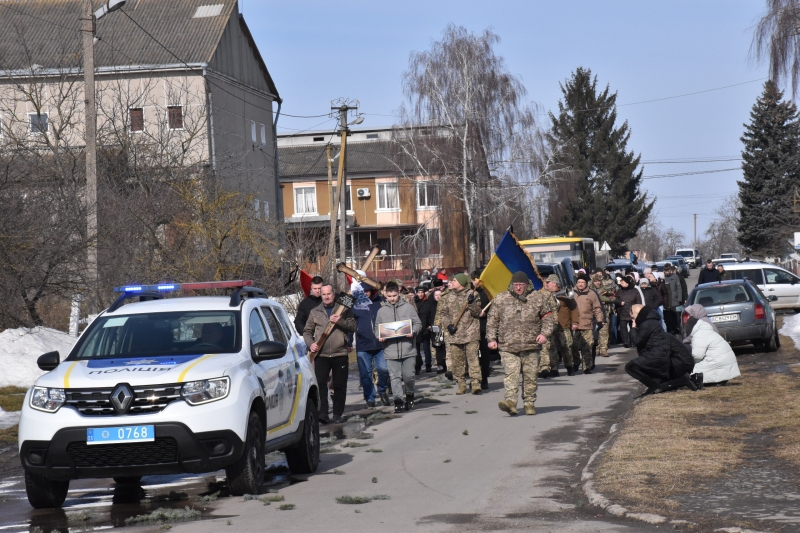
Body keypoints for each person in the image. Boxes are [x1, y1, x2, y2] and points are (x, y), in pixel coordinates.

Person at [486, 271, 556, 415]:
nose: (518, 288)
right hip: (508, 345)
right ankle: (510, 402)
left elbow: (548, 319)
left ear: (527, 284)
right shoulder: (501, 298)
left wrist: (544, 334)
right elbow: (492, 320)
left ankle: (529, 403)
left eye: (521, 285)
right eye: (515, 285)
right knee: (511, 374)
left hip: (531, 345)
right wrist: (491, 339)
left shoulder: (537, 298)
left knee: (530, 376)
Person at [303, 284, 356, 424]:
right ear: (320, 295)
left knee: (339, 385)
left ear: (334, 294)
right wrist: (311, 343)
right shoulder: (315, 311)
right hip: (321, 355)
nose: (326, 297)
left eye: (329, 294)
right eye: (324, 294)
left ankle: (338, 414)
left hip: (340, 353)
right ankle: (323, 413)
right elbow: (307, 331)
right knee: (321, 386)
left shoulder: (343, 309)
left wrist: (341, 321)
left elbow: (353, 326)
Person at [375, 281, 423, 412]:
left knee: (409, 376)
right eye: (389, 296)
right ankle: (398, 401)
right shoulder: (381, 311)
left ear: (399, 293)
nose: (392, 299)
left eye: (394, 295)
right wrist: (380, 336)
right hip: (390, 350)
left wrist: (413, 331)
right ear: (385, 295)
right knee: (394, 377)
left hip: (408, 348)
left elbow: (418, 323)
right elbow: (377, 328)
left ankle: (409, 394)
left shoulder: (408, 308)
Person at [434, 273, 483, 394]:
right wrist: (448, 325)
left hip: (470, 333)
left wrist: (471, 303)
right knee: (457, 361)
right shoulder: (447, 297)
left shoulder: (473, 294)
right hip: (454, 334)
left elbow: (478, 313)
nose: (452, 282)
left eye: (455, 280)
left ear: (461, 282)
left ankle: (475, 382)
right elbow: (443, 313)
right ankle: (461, 383)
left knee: (473, 359)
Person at [351, 282, 390, 408]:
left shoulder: (381, 302)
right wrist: (348, 341)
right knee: (365, 374)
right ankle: (370, 397)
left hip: (381, 343)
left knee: (384, 369)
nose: (365, 294)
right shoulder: (354, 304)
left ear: (372, 291)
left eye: (367, 291)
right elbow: (346, 318)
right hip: (363, 344)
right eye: (363, 292)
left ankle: (382, 390)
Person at [684, 308, 741, 387]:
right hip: (725, 362)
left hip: (720, 362)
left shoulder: (699, 334)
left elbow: (697, 355)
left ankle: (709, 381)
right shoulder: (706, 330)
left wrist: (688, 362)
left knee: (691, 371)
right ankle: (718, 380)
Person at [625, 304, 671, 395]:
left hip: (657, 355)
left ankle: (653, 386)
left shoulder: (646, 324)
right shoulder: (649, 321)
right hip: (659, 353)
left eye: (632, 314)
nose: (631, 317)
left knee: (630, 367)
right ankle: (657, 385)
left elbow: (637, 341)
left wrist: (633, 328)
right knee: (642, 366)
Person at [543, 274, 578, 375]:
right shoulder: (544, 295)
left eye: (548, 282)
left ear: (554, 283)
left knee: (566, 346)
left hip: (564, 326)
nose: (546, 284)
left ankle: (569, 366)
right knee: (552, 347)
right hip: (550, 326)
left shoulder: (565, 295)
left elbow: (574, 309)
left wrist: (575, 322)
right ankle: (554, 369)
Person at [573, 274, 604, 374]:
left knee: (587, 346)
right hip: (574, 325)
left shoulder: (591, 294)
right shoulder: (571, 293)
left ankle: (587, 366)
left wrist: (599, 320)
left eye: (582, 282)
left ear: (586, 283)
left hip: (587, 324)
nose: (580, 284)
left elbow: (597, 308)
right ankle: (576, 363)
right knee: (572, 346)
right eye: (579, 282)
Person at [472, 269, 493, 389]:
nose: (476, 282)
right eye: (474, 280)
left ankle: (484, 378)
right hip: (471, 329)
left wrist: (485, 312)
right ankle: (475, 378)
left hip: (484, 327)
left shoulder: (488, 293)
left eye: (478, 280)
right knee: (472, 356)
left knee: (484, 355)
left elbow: (493, 309)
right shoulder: (470, 293)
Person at [421, 286, 446, 373]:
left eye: (440, 295)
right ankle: (440, 364)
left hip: (446, 329)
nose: (438, 296)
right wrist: (428, 326)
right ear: (433, 296)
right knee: (438, 347)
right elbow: (425, 317)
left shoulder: (445, 304)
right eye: (436, 295)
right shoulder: (429, 305)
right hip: (435, 330)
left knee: (446, 347)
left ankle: (446, 364)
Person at [592, 272, 615, 357]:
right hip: (594, 315)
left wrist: (605, 299)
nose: (598, 282)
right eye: (596, 281)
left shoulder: (605, 289)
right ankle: (597, 349)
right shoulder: (590, 291)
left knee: (604, 332)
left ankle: (604, 349)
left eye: (599, 281)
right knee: (595, 332)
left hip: (604, 312)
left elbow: (613, 298)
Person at [615, 275, 642, 348]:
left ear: (627, 283)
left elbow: (638, 301)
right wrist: (619, 302)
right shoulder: (619, 291)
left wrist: (637, 310)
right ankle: (625, 341)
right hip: (622, 311)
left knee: (633, 327)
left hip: (632, 311)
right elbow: (616, 299)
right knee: (623, 328)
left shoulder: (635, 290)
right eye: (621, 282)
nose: (621, 284)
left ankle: (633, 340)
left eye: (623, 282)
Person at [663, 264, 687, 334]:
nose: (667, 272)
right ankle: (670, 328)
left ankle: (677, 328)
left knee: (676, 315)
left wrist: (679, 298)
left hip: (675, 300)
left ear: (670, 270)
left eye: (668, 270)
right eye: (665, 271)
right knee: (668, 315)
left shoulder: (675, 277)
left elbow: (679, 288)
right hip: (667, 300)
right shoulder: (663, 278)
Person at [413, 287, 432, 374]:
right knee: (416, 349)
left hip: (425, 328)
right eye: (419, 292)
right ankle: (417, 365)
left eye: (422, 292)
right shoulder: (414, 303)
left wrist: (429, 325)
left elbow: (430, 315)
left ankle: (428, 365)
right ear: (416, 293)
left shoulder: (427, 302)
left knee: (426, 348)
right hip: (416, 328)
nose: (420, 294)